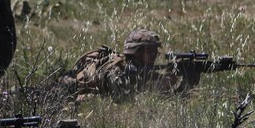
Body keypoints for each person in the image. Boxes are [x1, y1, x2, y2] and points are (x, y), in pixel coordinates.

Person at [60, 30, 202, 101]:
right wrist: (159, 84)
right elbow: (123, 98)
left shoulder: (142, 71)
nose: (154, 55)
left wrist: (186, 83)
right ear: (136, 52)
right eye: (150, 51)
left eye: (155, 51)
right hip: (67, 89)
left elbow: (169, 100)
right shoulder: (115, 70)